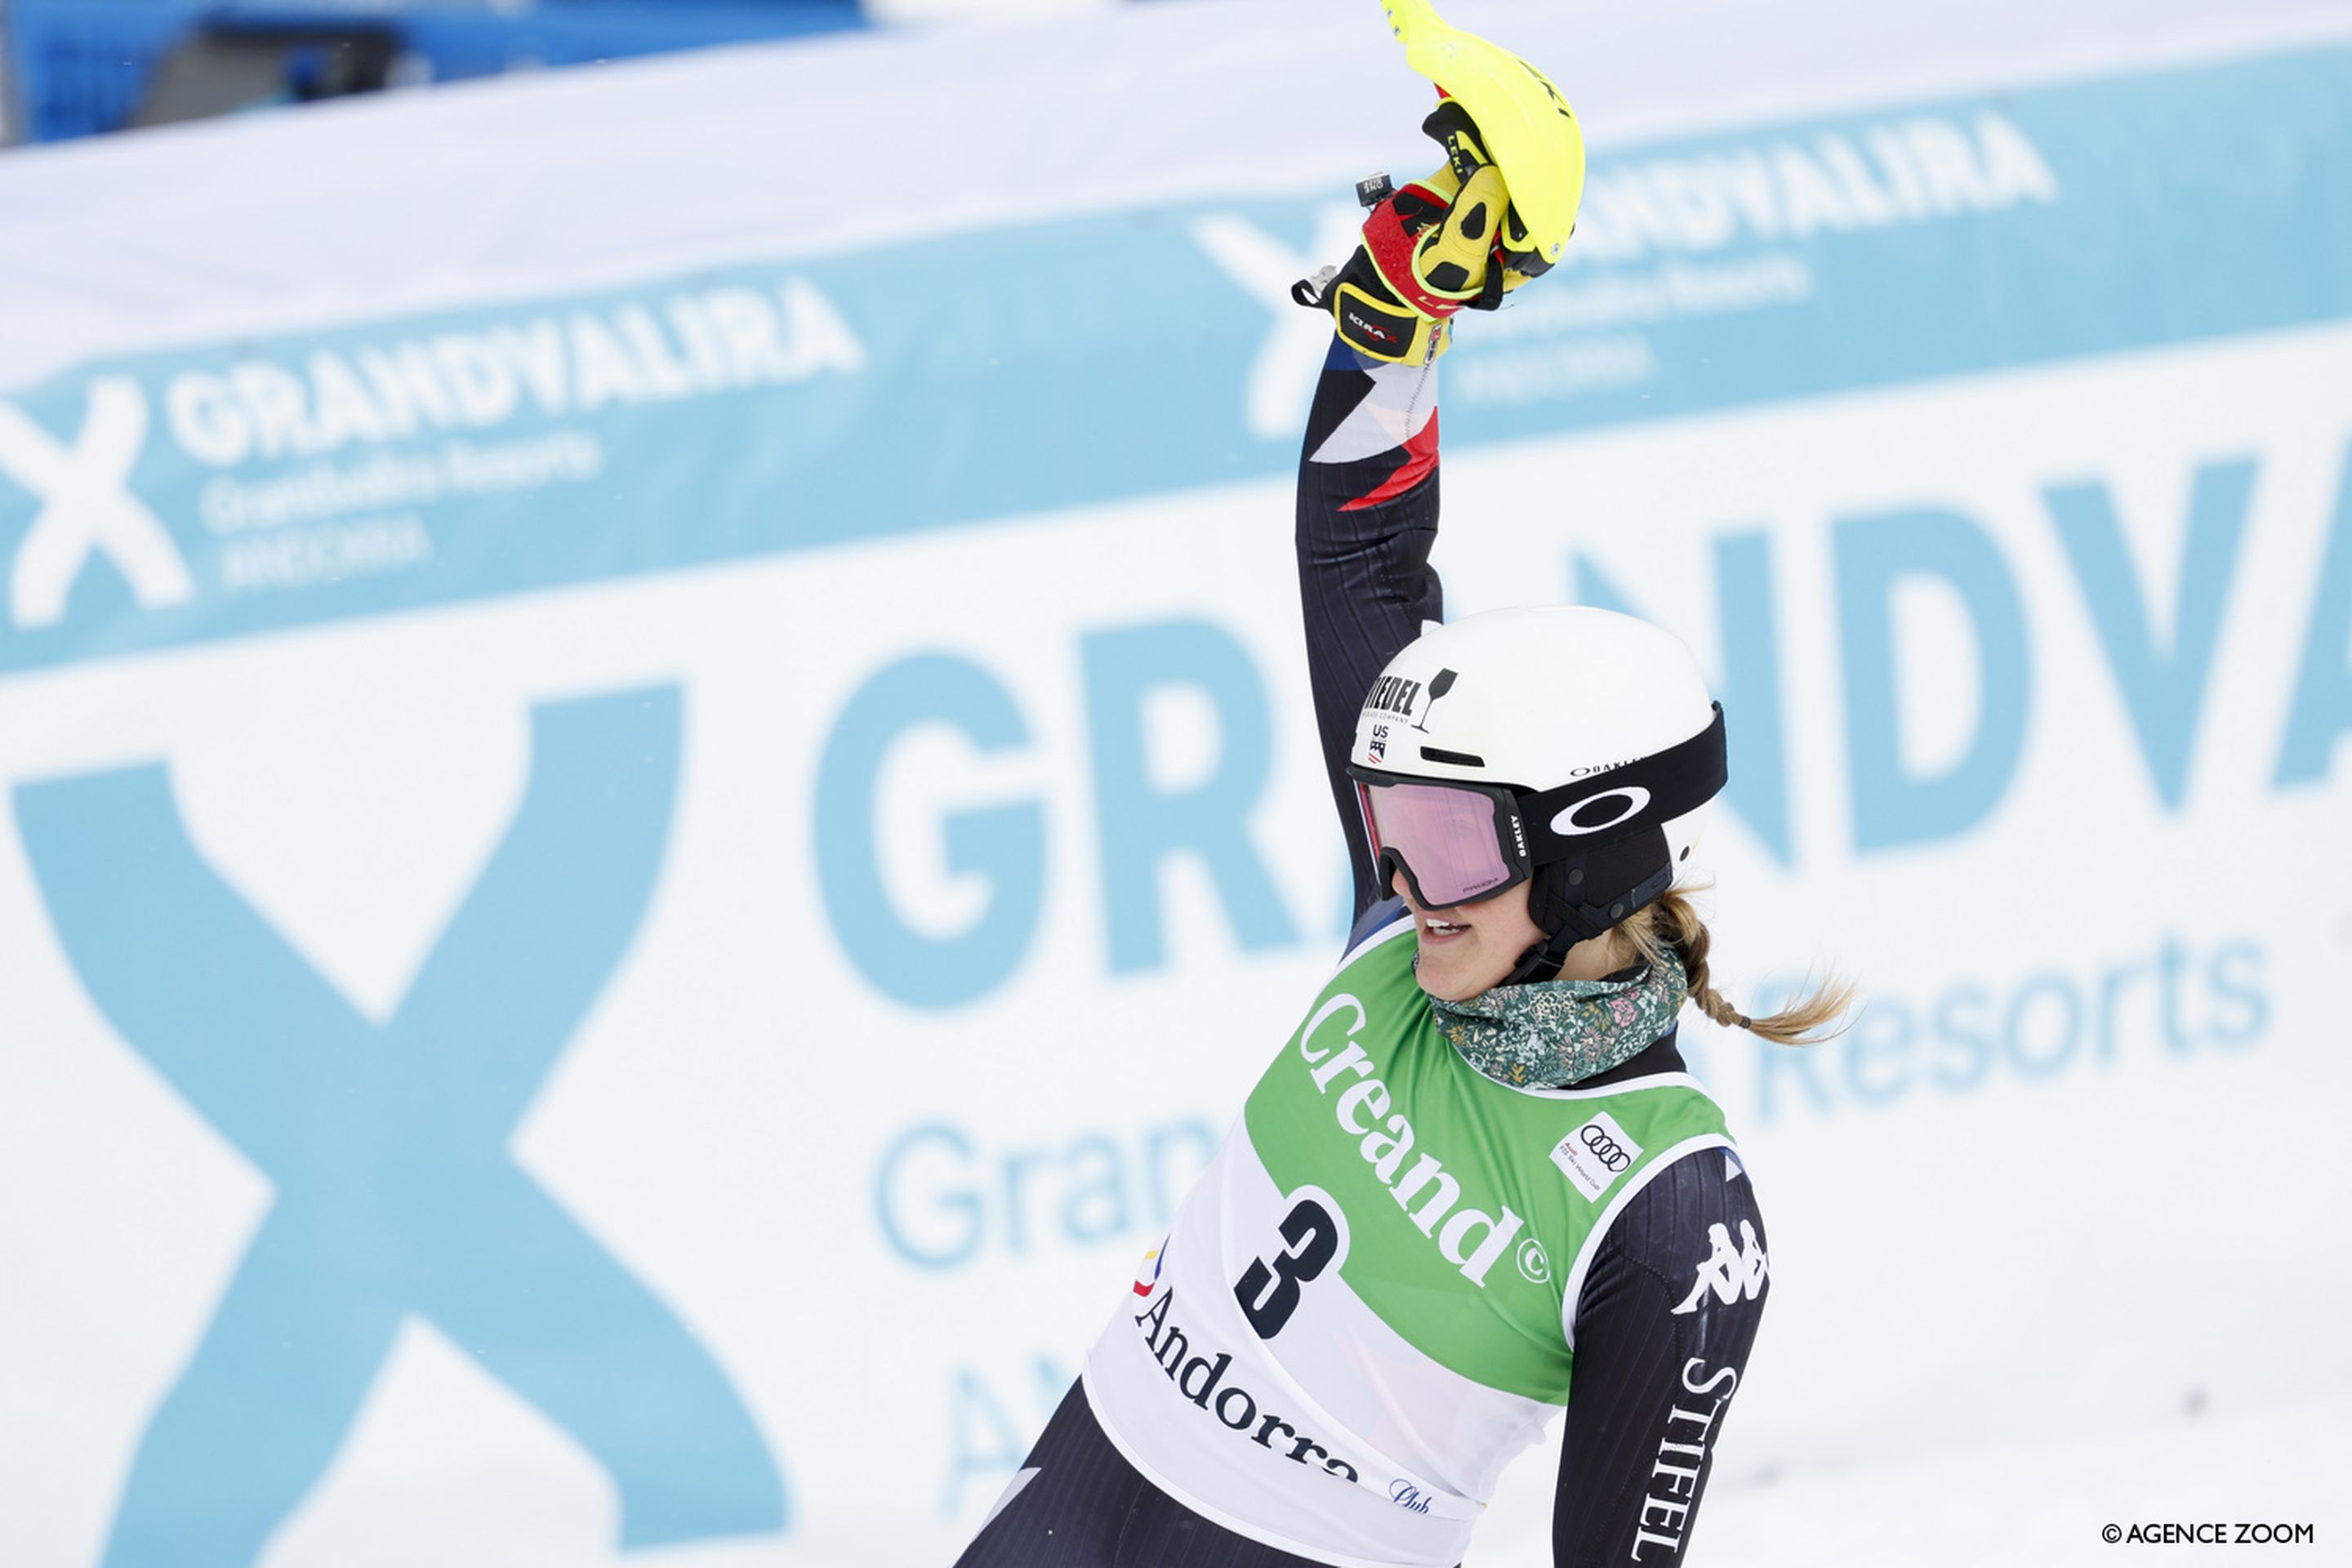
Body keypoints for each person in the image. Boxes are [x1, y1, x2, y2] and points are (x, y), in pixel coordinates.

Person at [953, 91, 1849, 1568]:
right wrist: (1398, 319)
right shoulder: (1411, 931)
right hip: (1077, 1487)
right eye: (1393, 825)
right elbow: (1363, 548)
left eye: (1444, 842)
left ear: (1586, 857)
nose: (1400, 878)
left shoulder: (1668, 1211)